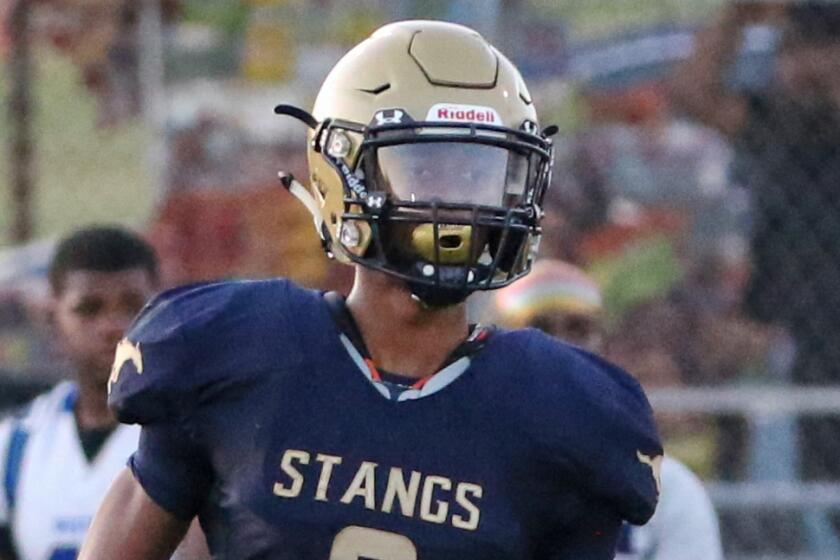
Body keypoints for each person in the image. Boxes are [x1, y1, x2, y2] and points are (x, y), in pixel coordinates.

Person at [80, 21, 662, 559]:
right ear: (342, 174)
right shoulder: (235, 352)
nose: (458, 203)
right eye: (427, 167)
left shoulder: (562, 411)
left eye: (480, 172)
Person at [670, 1, 840, 485]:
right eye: (795, 51)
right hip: (778, 339)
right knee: (784, 486)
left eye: (823, 51)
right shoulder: (778, 126)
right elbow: (692, 94)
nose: (806, 66)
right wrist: (737, 17)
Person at [491, 259, 723, 560]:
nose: (561, 345)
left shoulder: (665, 488)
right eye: (539, 328)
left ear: (606, 345)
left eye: (578, 328)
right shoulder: (461, 465)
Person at [0, 226, 160, 560]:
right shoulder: (16, 443)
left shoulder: (193, 433)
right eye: (89, 309)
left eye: (132, 305)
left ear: (162, 308)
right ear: (51, 318)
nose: (113, 326)